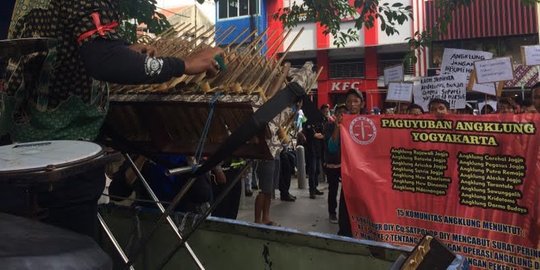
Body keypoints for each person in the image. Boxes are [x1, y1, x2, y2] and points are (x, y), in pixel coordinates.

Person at [1, 0, 222, 238]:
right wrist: (183, 64)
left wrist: (122, 51)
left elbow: (74, 48)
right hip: (58, 161)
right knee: (67, 252)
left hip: (20, 152)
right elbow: (102, 60)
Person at [335, 89, 366, 236]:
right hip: (348, 174)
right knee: (346, 204)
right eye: (349, 101)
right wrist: (337, 126)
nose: (352, 104)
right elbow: (332, 146)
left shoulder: (370, 122)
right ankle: (346, 233)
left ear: (362, 104)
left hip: (366, 175)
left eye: (356, 101)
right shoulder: (342, 122)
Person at [324, 104, 347, 224]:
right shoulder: (329, 125)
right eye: (340, 113)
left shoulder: (351, 126)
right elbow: (331, 146)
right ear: (336, 114)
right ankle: (332, 212)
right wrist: (337, 128)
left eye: (345, 113)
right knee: (333, 189)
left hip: (346, 164)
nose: (342, 115)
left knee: (347, 190)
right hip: (333, 163)